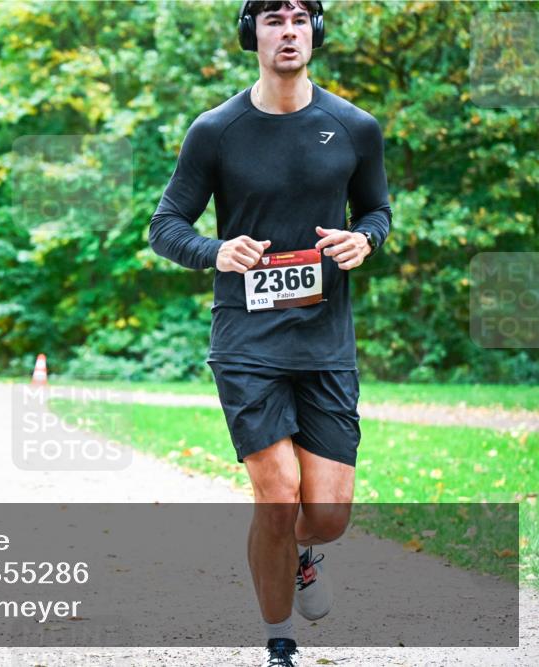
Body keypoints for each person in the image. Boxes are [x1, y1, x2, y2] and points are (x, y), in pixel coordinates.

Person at [148, 2, 391, 666]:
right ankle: (278, 641)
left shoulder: (354, 127)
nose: (288, 31)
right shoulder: (216, 131)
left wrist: (363, 239)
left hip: (324, 341)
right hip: (246, 341)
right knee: (277, 493)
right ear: (250, 34)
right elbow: (165, 224)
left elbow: (377, 209)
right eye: (273, 19)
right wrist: (215, 251)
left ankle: (303, 554)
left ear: (315, 31)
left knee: (328, 515)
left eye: (299, 18)